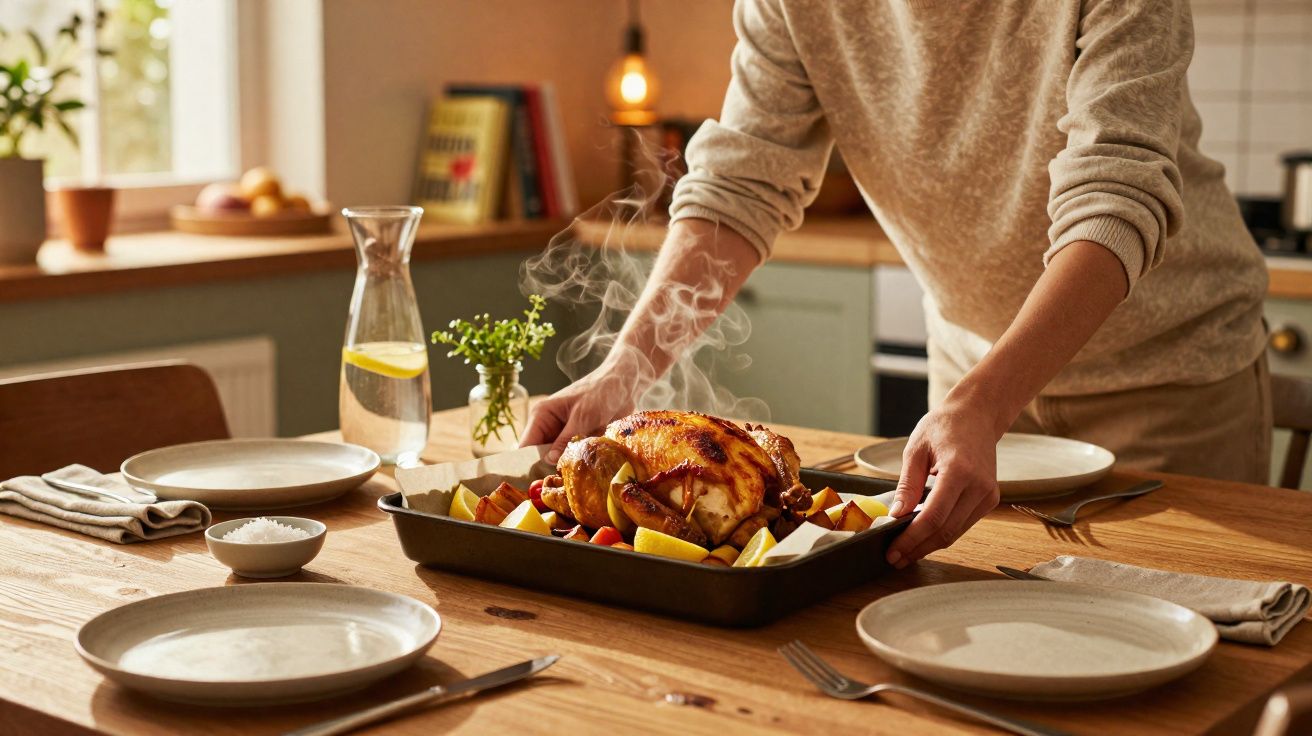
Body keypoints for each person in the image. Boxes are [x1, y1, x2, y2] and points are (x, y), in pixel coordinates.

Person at [522, 0, 1270, 568]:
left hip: (1169, 379)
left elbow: (1117, 197)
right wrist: (625, 371)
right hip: (971, 380)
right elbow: (737, 189)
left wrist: (980, 404)